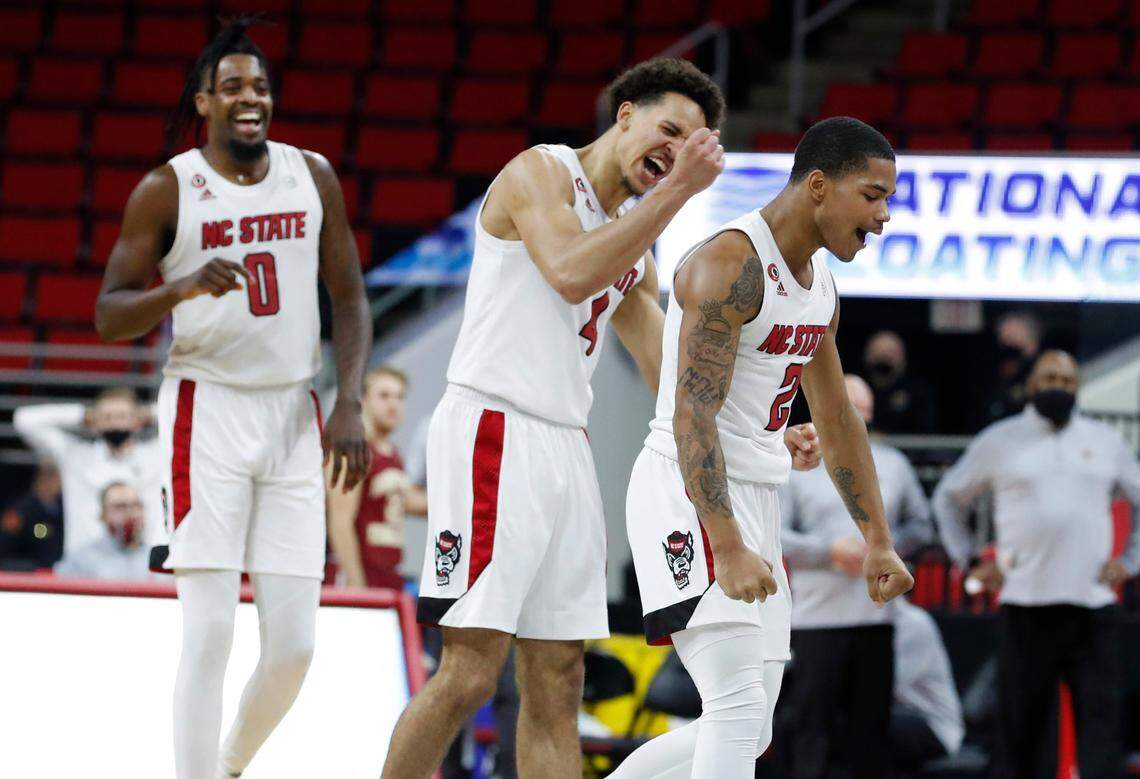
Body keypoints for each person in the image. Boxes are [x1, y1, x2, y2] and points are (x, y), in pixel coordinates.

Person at [381, 59, 728, 779]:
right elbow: (570, 269)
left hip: (566, 447)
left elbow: (670, 370)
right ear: (625, 114)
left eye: (690, 145)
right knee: (471, 672)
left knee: (559, 676)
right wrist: (678, 194)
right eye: (668, 130)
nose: (672, 155)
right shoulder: (539, 172)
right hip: (493, 428)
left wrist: (760, 426)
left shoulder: (635, 240)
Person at [93, 20, 371, 779]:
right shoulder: (167, 188)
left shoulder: (311, 175)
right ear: (204, 102)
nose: (251, 99)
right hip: (205, 408)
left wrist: (348, 402)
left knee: (295, 646)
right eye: (234, 88)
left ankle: (226, 764)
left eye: (260, 86)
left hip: (292, 414)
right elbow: (109, 311)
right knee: (210, 630)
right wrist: (179, 285)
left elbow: (348, 297)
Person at [615, 117, 914, 779]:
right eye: (872, 194)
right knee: (735, 701)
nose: (884, 214)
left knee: (753, 721)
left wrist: (877, 538)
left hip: (755, 493)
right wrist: (725, 544)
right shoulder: (730, 263)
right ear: (816, 185)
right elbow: (691, 414)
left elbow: (836, 417)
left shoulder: (820, 287)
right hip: (687, 492)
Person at [933, 350, 1140, 779]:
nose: (1057, 387)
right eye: (1049, 378)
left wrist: (1132, 560)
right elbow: (948, 499)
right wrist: (970, 560)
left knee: (1101, 732)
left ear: (1077, 387)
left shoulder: (1106, 441)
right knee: (1021, 732)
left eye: (1066, 381)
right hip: (1026, 605)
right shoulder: (1000, 439)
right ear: (1032, 385)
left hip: (1093, 606)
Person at [779, 374, 933, 778]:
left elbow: (921, 524)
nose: (856, 420)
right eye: (849, 410)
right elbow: (772, 535)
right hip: (816, 619)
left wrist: (885, 546)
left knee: (871, 730)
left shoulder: (893, 463)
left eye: (863, 412)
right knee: (812, 728)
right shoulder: (797, 462)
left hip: (875, 619)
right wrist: (827, 551)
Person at [13, 387, 163, 563]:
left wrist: (149, 413)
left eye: (122, 416)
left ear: (137, 421)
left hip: (144, 567)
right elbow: (24, 421)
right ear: (94, 422)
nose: (115, 424)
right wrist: (81, 415)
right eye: (107, 417)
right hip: (85, 567)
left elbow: (193, 421)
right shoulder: (75, 455)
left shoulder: (157, 455)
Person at [328, 365, 427, 590]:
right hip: (360, 579)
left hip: (389, 575)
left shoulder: (393, 454)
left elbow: (411, 501)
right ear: (363, 400)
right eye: (384, 396)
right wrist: (356, 584)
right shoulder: (353, 450)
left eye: (400, 397)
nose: (393, 405)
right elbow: (340, 522)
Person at [890, 598, 965, 775]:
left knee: (867, 730)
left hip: (932, 724)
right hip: (898, 715)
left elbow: (880, 686)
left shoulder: (912, 624)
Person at [55, 482, 154, 581]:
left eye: (137, 505)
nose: (131, 513)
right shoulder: (80, 561)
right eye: (120, 507)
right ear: (103, 515)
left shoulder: (160, 561)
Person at [976, 310, 1043, 429]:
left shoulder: (1041, 380)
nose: (1008, 351)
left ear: (1033, 345)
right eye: (1003, 343)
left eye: (1013, 343)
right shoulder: (987, 378)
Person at [863, 329, 938, 433]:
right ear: (867, 357)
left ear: (903, 358)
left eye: (890, 353)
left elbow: (924, 434)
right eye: (878, 353)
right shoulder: (858, 390)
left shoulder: (918, 393)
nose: (884, 358)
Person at [0, 462, 64, 569]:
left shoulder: (61, 509)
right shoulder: (21, 510)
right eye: (53, 479)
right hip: (24, 571)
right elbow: (5, 542)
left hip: (53, 570)